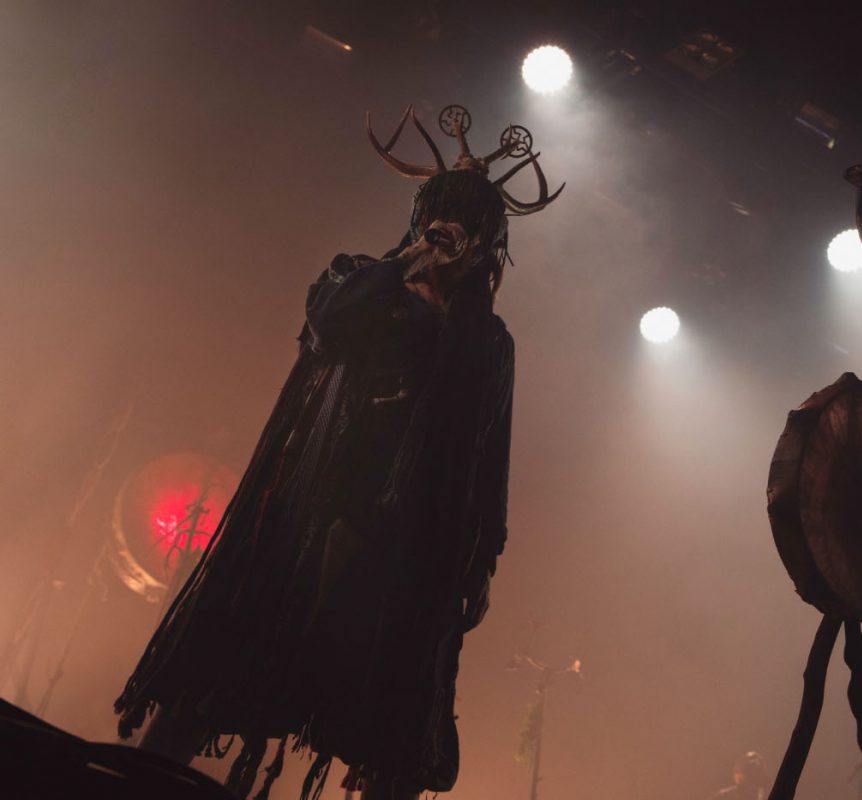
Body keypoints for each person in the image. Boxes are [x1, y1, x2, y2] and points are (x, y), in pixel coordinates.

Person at [114, 106, 561, 800]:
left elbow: (489, 457)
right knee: (225, 662)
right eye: (440, 216)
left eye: (467, 224)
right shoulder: (360, 280)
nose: (450, 232)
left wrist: (482, 559)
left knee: (389, 714)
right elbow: (325, 321)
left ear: (484, 246)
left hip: (407, 538)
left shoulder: (488, 343)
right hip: (307, 504)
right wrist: (405, 266)